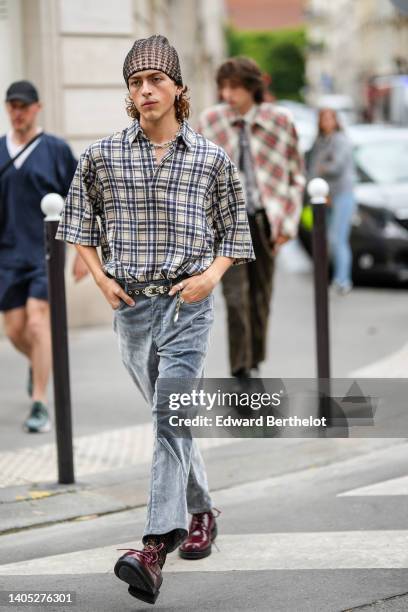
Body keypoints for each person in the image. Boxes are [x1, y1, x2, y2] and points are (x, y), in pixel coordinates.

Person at [56, 35, 254, 605]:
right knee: (173, 421)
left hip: (189, 304)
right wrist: (100, 279)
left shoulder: (211, 159)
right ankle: (202, 512)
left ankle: (150, 548)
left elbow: (236, 237)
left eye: (155, 80)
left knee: (169, 419)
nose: (145, 90)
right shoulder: (102, 156)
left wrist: (209, 278)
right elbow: (77, 226)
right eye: (135, 83)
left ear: (178, 89)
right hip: (132, 310)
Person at [197, 57, 305, 380]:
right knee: (235, 299)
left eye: (234, 87)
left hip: (264, 220)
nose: (227, 94)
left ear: (251, 88)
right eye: (223, 87)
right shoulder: (211, 120)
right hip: (228, 223)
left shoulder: (280, 121)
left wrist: (287, 225)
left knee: (261, 297)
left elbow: (296, 176)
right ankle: (241, 369)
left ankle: (255, 360)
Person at [0, 80, 77, 433]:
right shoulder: (0, 151)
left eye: (24, 106)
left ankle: (40, 403)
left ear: (37, 107)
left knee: (36, 321)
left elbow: (82, 202)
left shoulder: (55, 150)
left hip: (45, 253)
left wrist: (83, 253)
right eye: (12, 106)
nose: (18, 112)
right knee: (15, 329)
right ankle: (39, 364)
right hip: (7, 256)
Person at [307, 107, 356, 294]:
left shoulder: (341, 140)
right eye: (323, 119)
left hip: (342, 194)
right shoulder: (320, 141)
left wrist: (321, 166)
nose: (326, 122)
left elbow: (336, 166)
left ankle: (343, 280)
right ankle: (328, 277)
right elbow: (313, 168)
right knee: (324, 239)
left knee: (338, 238)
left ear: (336, 121)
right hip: (323, 197)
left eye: (330, 118)